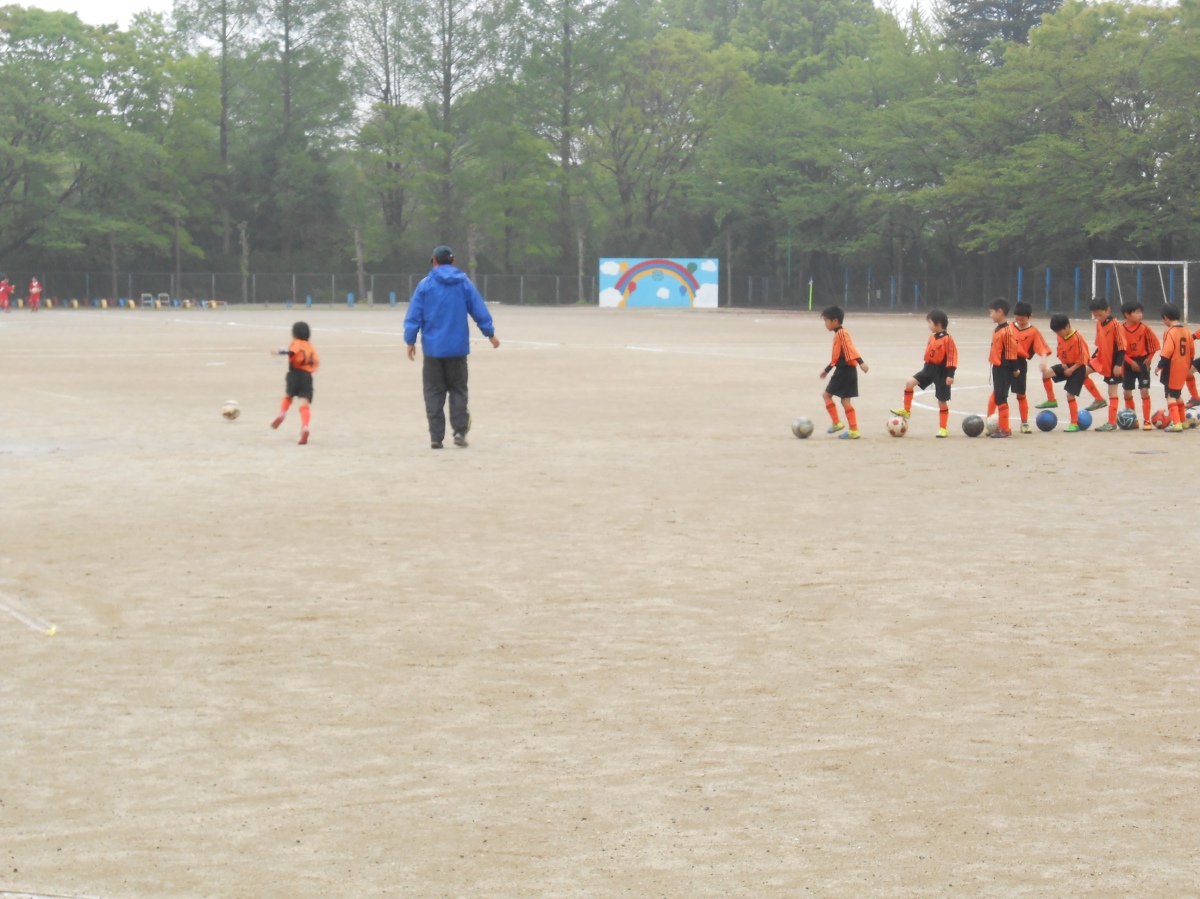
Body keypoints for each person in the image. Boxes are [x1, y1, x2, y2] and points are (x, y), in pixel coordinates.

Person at [404, 245, 499, 449]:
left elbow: (414, 315)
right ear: (453, 262)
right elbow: (478, 309)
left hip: (433, 351)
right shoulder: (463, 283)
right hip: (457, 350)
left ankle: (436, 437)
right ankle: (460, 432)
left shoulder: (425, 285)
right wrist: (490, 334)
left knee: (433, 392)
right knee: (458, 391)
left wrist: (410, 340)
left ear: (434, 261)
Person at [890, 309, 957, 437]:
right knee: (910, 382)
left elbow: (952, 357)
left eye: (930, 322)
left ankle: (943, 428)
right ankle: (906, 410)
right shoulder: (932, 337)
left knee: (941, 400)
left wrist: (951, 375)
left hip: (942, 371)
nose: (928, 326)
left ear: (938, 323)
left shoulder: (948, 339)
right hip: (928, 368)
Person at [819, 305, 869, 439]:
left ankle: (837, 423)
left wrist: (861, 362)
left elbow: (849, 349)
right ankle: (854, 430)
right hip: (848, 371)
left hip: (844, 371)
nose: (825, 324)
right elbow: (836, 358)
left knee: (826, 395)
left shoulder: (841, 333)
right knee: (845, 401)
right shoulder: (839, 334)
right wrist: (827, 370)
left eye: (826, 321)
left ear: (835, 321)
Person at [269, 321, 319, 445]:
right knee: (304, 402)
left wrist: (279, 351)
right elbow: (316, 362)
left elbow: (291, 351)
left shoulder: (296, 343)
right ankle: (305, 427)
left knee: (288, 396)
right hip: (307, 376)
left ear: (294, 334)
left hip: (294, 374)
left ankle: (282, 414)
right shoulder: (311, 347)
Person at [1007, 301, 1053, 433]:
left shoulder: (1033, 332)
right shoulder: (1008, 327)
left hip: (1020, 363)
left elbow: (1042, 348)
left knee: (1021, 394)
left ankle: (1024, 423)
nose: (1019, 322)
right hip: (1006, 362)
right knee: (999, 394)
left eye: (1022, 320)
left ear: (1030, 317)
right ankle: (994, 420)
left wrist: (1043, 360)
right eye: (1017, 319)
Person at [1041, 314, 1091, 432]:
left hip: (1078, 367)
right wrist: (1064, 365)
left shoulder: (1077, 338)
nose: (1058, 334)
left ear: (1067, 326)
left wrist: (1071, 369)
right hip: (1066, 365)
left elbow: (1083, 359)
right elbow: (1060, 352)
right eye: (1056, 332)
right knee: (1046, 373)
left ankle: (1074, 423)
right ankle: (1051, 400)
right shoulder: (1060, 337)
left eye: (1059, 331)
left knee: (1070, 395)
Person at [1085, 298, 1128, 430]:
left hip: (1113, 363)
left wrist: (1118, 365)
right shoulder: (1099, 324)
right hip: (1101, 359)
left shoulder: (1115, 325)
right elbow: (1100, 344)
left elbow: (1122, 347)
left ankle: (1111, 423)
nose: (1098, 318)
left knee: (1112, 391)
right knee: (1081, 372)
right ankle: (1099, 399)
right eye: (1095, 315)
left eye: (1100, 314)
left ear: (1108, 310)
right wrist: (1092, 358)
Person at [1120, 301, 1159, 429]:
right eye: (1136, 313)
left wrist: (1149, 358)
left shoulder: (1144, 328)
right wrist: (1130, 362)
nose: (1140, 315)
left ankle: (1147, 421)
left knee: (1144, 391)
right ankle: (1132, 420)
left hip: (1143, 362)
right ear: (1127, 314)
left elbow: (1154, 345)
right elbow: (1119, 350)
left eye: (1141, 312)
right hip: (1128, 363)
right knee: (1127, 392)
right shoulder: (1121, 330)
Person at [1156, 304, 1194, 432]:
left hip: (1172, 368)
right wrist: (1188, 365)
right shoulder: (1187, 331)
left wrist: (1159, 366)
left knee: (1170, 395)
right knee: (1177, 394)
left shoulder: (1170, 332)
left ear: (1165, 317)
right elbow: (1192, 352)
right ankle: (1183, 421)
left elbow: (1167, 351)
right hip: (1183, 367)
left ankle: (1176, 423)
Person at [986, 298, 1019, 438]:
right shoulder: (997, 329)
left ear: (1000, 312)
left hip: (1004, 368)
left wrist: (1014, 368)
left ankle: (1005, 428)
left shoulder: (1007, 331)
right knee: (998, 395)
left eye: (992, 312)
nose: (990, 315)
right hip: (997, 367)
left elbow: (1012, 351)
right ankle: (998, 427)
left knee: (1001, 397)